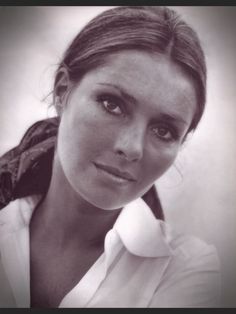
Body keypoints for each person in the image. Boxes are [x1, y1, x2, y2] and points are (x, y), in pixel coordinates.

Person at [0, 6, 220, 308]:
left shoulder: (187, 268)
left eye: (164, 131)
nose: (132, 148)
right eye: (112, 104)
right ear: (63, 91)